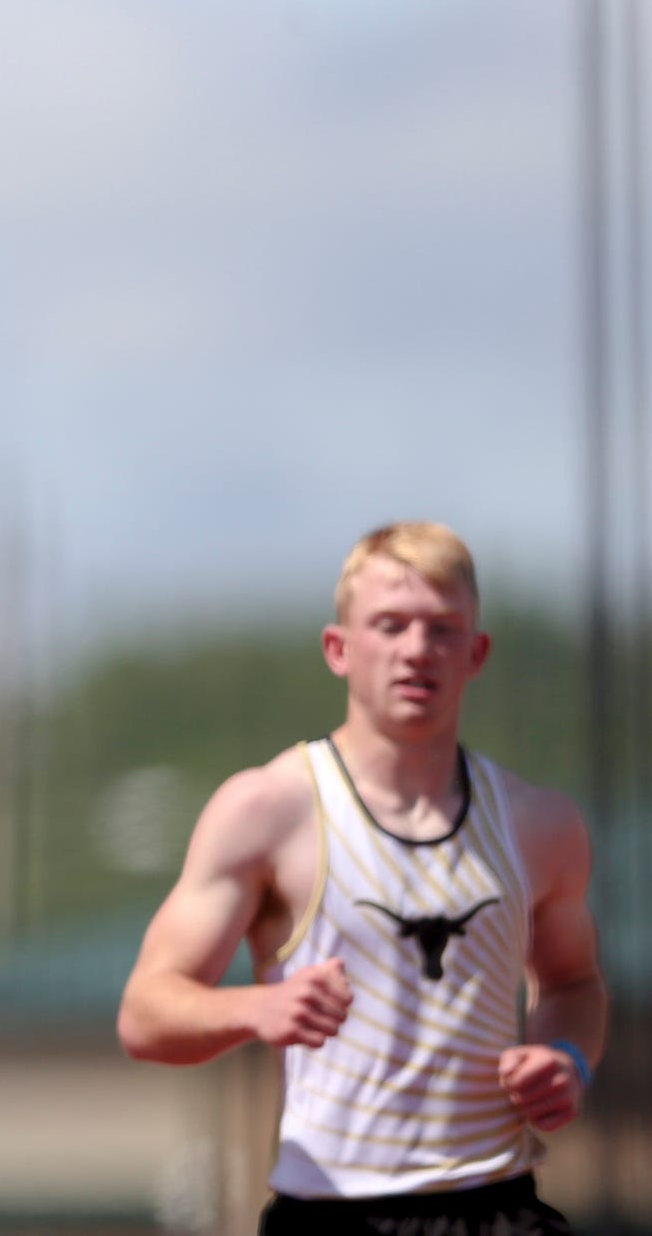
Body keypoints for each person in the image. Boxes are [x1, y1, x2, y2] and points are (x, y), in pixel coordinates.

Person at [117, 523, 606, 1235]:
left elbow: (574, 983)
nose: (416, 649)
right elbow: (145, 1011)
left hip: (497, 1203)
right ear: (339, 649)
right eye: (391, 624)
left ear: (477, 652)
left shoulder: (540, 823)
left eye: (443, 629)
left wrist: (568, 1057)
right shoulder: (267, 810)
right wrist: (256, 1008)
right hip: (336, 1212)